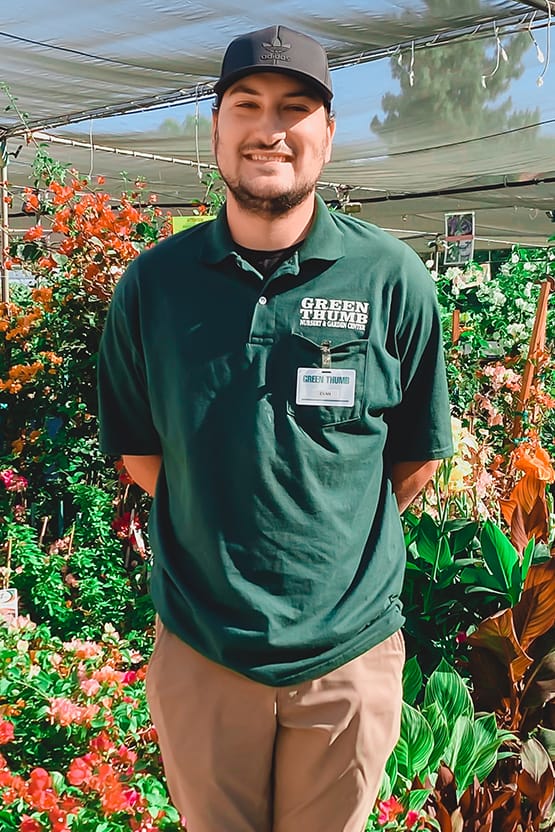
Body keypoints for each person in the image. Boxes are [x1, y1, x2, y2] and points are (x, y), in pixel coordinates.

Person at [97, 24, 453, 832]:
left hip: (347, 655)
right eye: (247, 105)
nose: (270, 129)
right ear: (215, 128)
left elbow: (413, 460)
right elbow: (143, 454)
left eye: (296, 109)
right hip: (202, 646)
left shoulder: (390, 278)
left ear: (326, 134)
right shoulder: (155, 285)